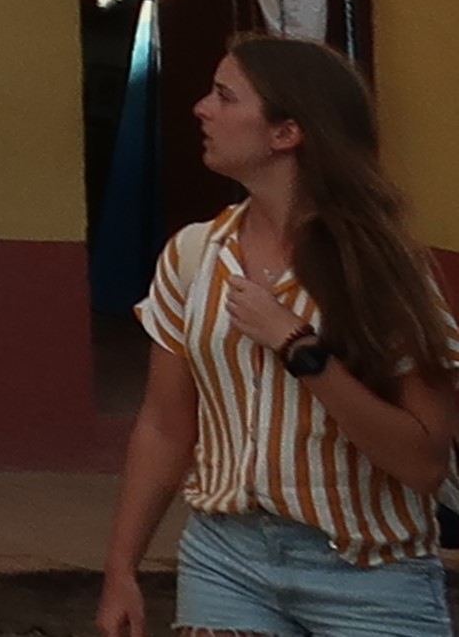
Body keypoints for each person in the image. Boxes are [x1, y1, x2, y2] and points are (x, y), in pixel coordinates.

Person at [100, 35, 459, 637]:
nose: (201, 109)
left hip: (370, 572)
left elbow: (423, 463)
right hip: (225, 562)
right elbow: (165, 426)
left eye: (224, 96)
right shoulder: (193, 257)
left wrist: (301, 348)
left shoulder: (384, 270)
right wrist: (121, 568)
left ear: (285, 133)